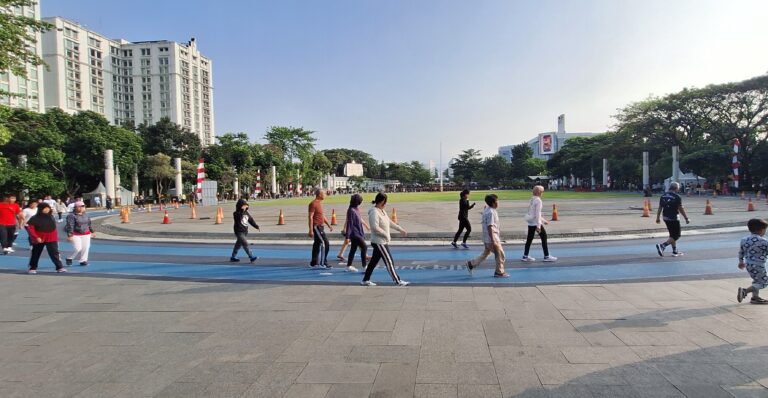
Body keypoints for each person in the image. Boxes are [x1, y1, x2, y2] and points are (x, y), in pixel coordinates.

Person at [361, 192, 409, 286]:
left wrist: (400, 229)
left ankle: (365, 280)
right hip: (379, 242)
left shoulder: (382, 211)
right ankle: (397, 280)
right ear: (382, 201)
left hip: (382, 241)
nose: (385, 204)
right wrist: (385, 235)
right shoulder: (374, 212)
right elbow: (374, 227)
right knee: (389, 261)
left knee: (373, 262)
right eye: (385, 202)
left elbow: (389, 222)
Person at [466, 194, 508, 277]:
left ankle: (471, 264)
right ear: (493, 203)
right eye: (497, 201)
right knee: (500, 255)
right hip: (492, 237)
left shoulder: (487, 209)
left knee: (486, 253)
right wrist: (493, 240)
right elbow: (490, 227)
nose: (498, 202)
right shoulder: (491, 212)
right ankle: (499, 272)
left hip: (487, 237)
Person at [26, 203, 66, 274]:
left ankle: (59, 267)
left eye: (48, 208)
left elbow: (53, 227)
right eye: (45, 208)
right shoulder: (34, 218)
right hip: (39, 238)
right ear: (40, 209)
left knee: (54, 253)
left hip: (52, 238)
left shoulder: (51, 217)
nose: (47, 209)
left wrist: (56, 238)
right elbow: (30, 229)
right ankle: (33, 267)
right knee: (36, 253)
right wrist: (36, 237)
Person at [522, 185, 557, 262]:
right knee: (544, 237)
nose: (542, 193)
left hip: (531, 223)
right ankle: (546, 256)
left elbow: (533, 212)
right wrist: (539, 225)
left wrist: (543, 220)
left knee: (529, 239)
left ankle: (525, 256)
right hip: (536, 223)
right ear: (539, 192)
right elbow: (537, 214)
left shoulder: (532, 199)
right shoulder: (538, 200)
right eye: (542, 192)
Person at [737, 218, 768, 304]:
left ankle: (755, 297)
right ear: (762, 230)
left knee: (756, 280)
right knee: (763, 282)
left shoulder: (744, 239)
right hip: (759, 265)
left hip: (748, 264)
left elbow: (741, 252)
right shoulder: (763, 241)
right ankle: (745, 291)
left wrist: (741, 261)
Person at [655, 182, 690, 257]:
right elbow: (680, 208)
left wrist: (657, 218)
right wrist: (686, 218)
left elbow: (660, 207)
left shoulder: (663, 196)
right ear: (676, 188)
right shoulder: (677, 196)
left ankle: (674, 250)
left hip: (665, 217)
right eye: (678, 188)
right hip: (674, 218)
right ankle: (663, 245)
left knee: (672, 235)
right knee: (677, 235)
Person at [342, 194, 370, 273]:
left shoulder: (356, 209)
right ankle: (364, 266)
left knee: (353, 249)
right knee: (364, 247)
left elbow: (359, 221)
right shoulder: (351, 210)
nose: (361, 202)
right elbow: (350, 223)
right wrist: (347, 236)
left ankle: (348, 266)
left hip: (358, 232)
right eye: (360, 200)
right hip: (354, 233)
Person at [308, 189, 333, 269]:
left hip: (321, 226)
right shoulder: (313, 204)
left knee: (317, 244)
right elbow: (310, 217)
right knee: (325, 243)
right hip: (317, 226)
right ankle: (323, 263)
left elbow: (321, 216)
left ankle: (313, 263)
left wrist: (328, 224)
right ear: (319, 195)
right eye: (324, 193)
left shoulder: (319, 203)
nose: (325, 195)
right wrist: (311, 229)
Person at [230, 198, 260, 263]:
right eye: (243, 205)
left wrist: (256, 226)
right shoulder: (236, 213)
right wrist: (242, 210)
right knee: (245, 243)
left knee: (238, 245)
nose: (245, 207)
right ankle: (251, 257)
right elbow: (239, 218)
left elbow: (251, 220)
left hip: (245, 231)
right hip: (239, 231)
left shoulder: (246, 213)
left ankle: (233, 256)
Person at [64, 201, 94, 266]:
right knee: (77, 248)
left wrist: (92, 231)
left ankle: (83, 260)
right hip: (76, 234)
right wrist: (70, 235)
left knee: (86, 247)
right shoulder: (71, 215)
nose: (83, 208)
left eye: (84, 206)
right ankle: (69, 258)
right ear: (76, 207)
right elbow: (70, 225)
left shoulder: (85, 214)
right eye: (81, 206)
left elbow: (89, 223)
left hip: (86, 233)